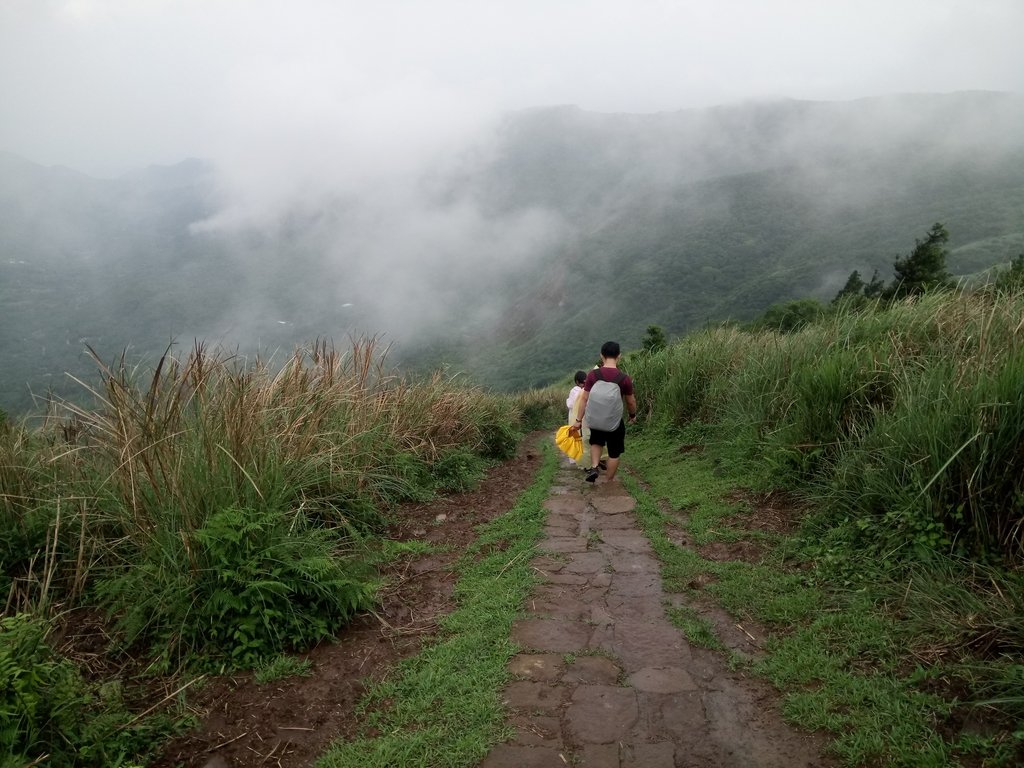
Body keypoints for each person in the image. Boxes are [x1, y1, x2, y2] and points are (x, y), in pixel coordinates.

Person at [573, 341, 637, 483]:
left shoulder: (592, 375)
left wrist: (578, 421)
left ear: (601, 355)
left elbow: (584, 399)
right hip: (614, 422)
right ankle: (608, 481)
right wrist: (632, 416)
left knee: (596, 442)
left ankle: (594, 467)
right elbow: (631, 401)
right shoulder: (624, 378)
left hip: (595, 420)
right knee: (614, 452)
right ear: (619, 356)